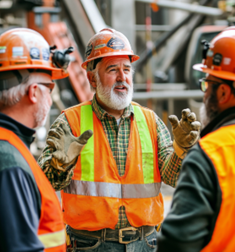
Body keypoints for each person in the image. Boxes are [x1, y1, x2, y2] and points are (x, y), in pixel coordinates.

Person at [38, 28, 200, 252]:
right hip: (89, 246)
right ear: (91, 78)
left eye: (127, 69)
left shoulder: (150, 121)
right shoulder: (69, 122)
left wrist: (182, 150)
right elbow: (44, 184)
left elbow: (173, 178)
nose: (122, 77)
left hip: (146, 243)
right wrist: (59, 166)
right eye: (113, 69)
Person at [157, 26, 235, 252]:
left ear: (223, 93)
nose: (204, 92)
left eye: (207, 84)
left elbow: (177, 244)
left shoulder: (210, 154)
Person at [0, 28, 75, 252]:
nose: (51, 100)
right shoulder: (9, 161)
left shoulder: (11, 147)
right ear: (33, 92)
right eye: (49, 88)